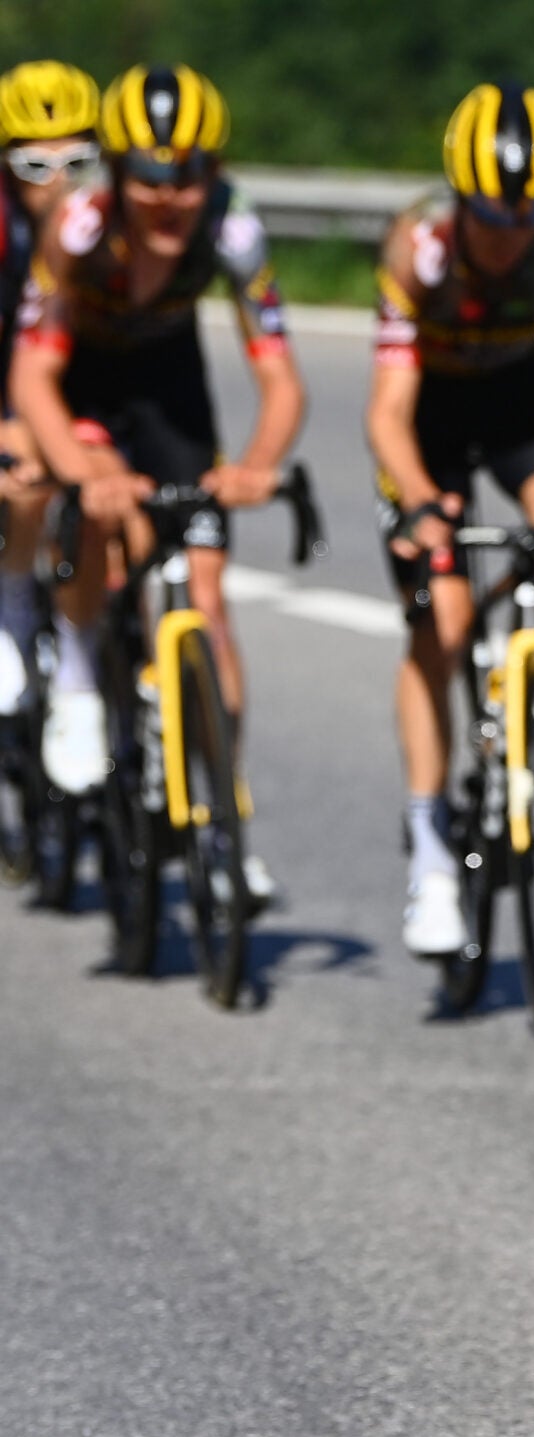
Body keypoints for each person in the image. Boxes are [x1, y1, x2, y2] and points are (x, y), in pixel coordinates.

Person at [8, 63, 303, 903]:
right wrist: (76, 470)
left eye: (192, 173)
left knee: (206, 602)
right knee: (100, 502)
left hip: (172, 396)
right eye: (150, 175)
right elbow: (33, 377)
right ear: (117, 171)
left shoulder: (232, 230)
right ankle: (74, 678)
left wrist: (253, 465)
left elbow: (279, 377)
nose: (171, 195)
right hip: (85, 389)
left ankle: (223, 810)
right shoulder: (77, 226)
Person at [370, 81, 534, 958]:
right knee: (444, 618)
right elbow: (387, 412)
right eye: (491, 217)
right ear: (459, 198)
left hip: (514, 400)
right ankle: (430, 851)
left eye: (526, 218)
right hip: (425, 417)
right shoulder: (419, 249)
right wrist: (421, 503)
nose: (510, 237)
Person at [0, 61, 102, 717]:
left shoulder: (110, 220)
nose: (60, 181)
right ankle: (11, 605)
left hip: (83, 374)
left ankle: (101, 658)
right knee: (27, 480)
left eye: (79, 160)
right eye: (37, 166)